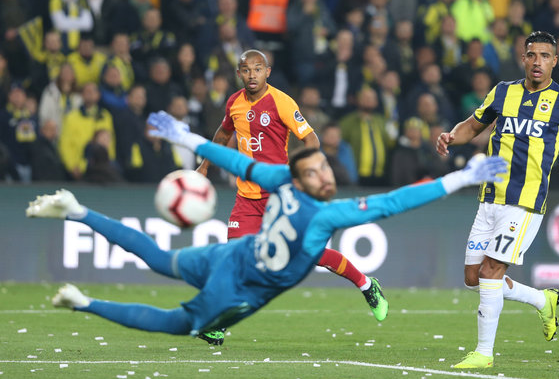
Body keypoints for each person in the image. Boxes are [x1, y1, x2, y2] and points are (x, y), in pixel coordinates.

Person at [27, 110, 507, 341]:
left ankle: (76, 211)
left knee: (157, 258)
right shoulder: (325, 212)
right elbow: (393, 202)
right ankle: (83, 298)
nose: (326, 177)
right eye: (316, 172)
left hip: (231, 257)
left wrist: (187, 137)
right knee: (181, 323)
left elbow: (237, 162)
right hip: (241, 285)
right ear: (299, 176)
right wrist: (460, 178)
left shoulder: (283, 181)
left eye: (325, 169)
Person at [436, 31, 559, 369]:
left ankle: (484, 353)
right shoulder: (503, 92)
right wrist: (451, 136)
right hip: (490, 198)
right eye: (532, 55)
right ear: (523, 58)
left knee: (491, 271)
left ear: (555, 61)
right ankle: (543, 300)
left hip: (525, 203)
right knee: (474, 278)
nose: (537, 61)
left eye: (544, 56)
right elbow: (473, 124)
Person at [196, 49, 386, 345]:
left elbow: (311, 139)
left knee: (312, 254)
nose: (252, 75)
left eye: (258, 69)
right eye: (246, 70)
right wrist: (205, 166)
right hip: (246, 198)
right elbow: (223, 134)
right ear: (239, 73)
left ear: (267, 72)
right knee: (233, 259)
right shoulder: (234, 102)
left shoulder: (282, 102)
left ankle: (366, 284)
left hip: (279, 196)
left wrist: (306, 172)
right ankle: (218, 324)